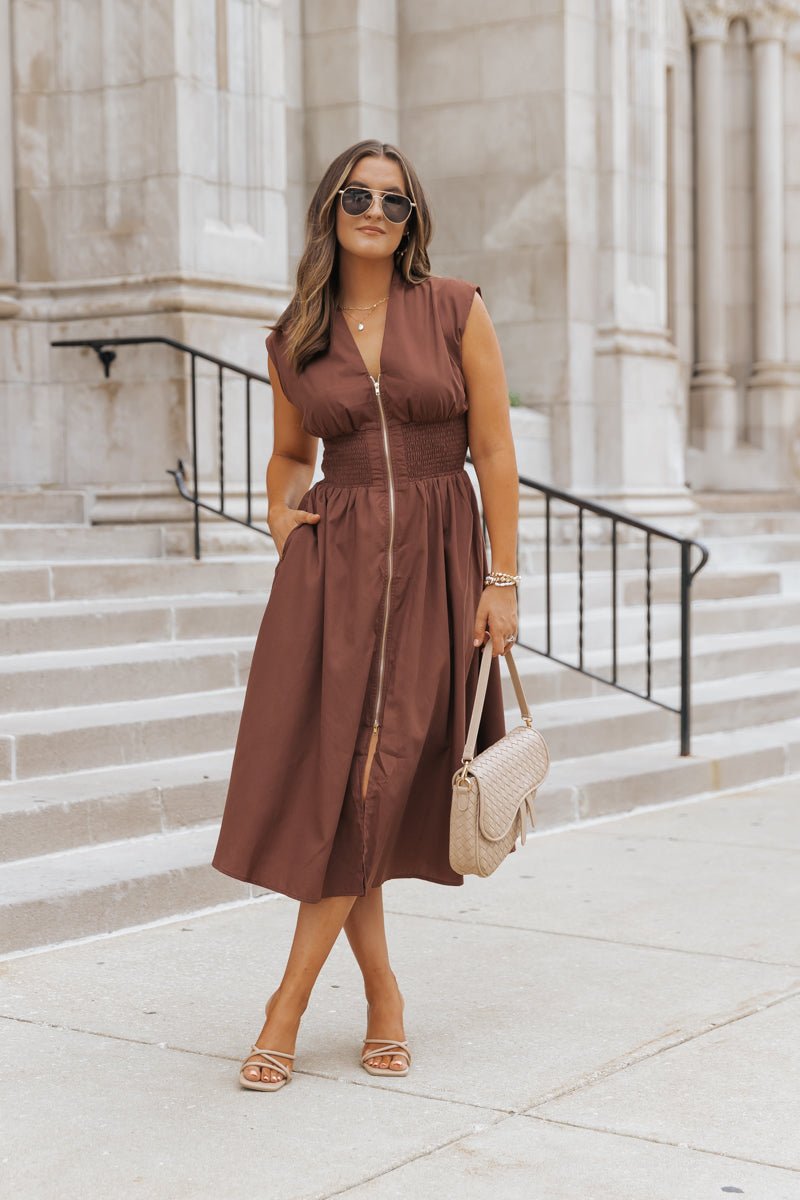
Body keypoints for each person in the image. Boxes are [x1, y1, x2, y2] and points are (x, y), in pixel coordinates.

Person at [210, 138, 520, 1091]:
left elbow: (494, 450)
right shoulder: (294, 336)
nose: (375, 212)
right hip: (335, 571)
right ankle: (382, 995)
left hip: (438, 563)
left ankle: (287, 1007)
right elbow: (290, 454)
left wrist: (502, 579)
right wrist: (279, 515)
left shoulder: (456, 307)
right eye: (357, 196)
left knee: (380, 777)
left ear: (412, 218)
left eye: (394, 200)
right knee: (351, 786)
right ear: (330, 210)